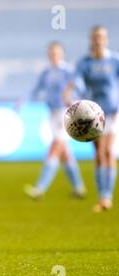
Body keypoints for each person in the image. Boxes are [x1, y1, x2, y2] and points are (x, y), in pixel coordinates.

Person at [64, 26, 119, 212]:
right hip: (91, 115)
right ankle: (102, 194)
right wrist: (69, 93)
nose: (98, 40)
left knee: (108, 151)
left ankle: (106, 196)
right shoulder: (85, 63)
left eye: (102, 37)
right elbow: (75, 81)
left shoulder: (114, 60)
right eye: (96, 37)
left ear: (106, 39)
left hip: (112, 112)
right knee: (99, 153)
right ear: (91, 40)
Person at [23, 42, 86, 200]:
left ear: (62, 53)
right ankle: (79, 188)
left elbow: (80, 88)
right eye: (51, 52)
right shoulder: (46, 72)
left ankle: (40, 188)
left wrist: (74, 100)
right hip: (53, 114)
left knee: (55, 148)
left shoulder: (68, 70)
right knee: (65, 153)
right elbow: (37, 89)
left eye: (56, 52)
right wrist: (23, 102)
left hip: (67, 114)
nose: (53, 54)